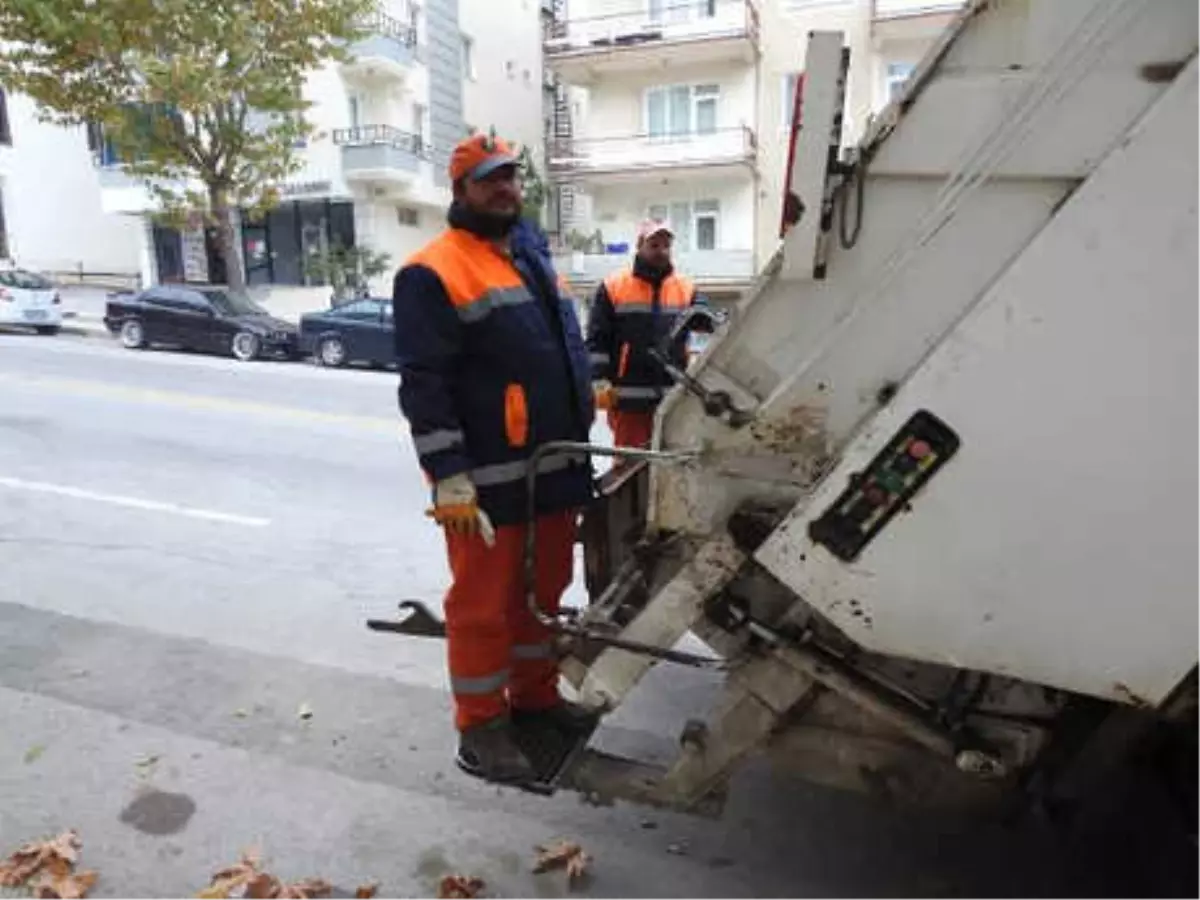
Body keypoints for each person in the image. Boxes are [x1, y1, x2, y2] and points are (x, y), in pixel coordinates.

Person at [392, 132, 596, 786]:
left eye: (509, 175)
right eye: (489, 179)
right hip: (484, 481)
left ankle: (535, 701)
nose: (504, 187)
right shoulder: (432, 271)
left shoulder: (531, 257)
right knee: (482, 606)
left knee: (542, 597)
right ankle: (480, 725)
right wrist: (449, 477)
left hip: (554, 468)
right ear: (462, 191)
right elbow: (424, 384)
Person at [585, 220, 706, 454]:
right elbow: (597, 340)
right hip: (628, 401)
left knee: (670, 469)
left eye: (666, 246)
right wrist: (598, 379)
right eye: (654, 245)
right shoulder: (613, 286)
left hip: (673, 400)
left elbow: (705, 317)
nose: (661, 251)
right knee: (631, 469)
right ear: (640, 246)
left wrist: (712, 318)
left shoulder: (686, 288)